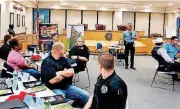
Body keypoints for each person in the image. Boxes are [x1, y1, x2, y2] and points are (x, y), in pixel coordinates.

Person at [41, 42, 89, 108]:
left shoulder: (63, 59)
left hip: (67, 86)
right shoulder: (47, 62)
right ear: (59, 50)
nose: (65, 51)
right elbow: (53, 81)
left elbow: (72, 72)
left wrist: (58, 73)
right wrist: (65, 73)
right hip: (54, 88)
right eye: (64, 49)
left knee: (86, 96)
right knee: (62, 103)